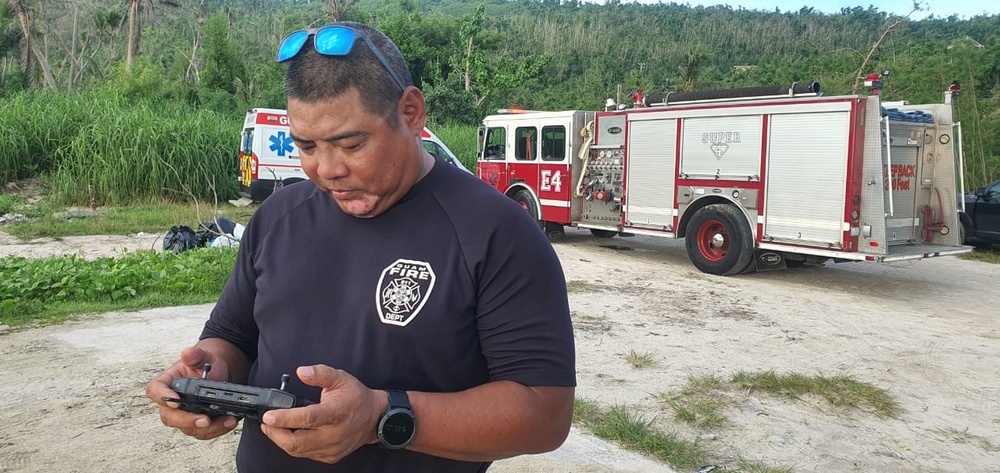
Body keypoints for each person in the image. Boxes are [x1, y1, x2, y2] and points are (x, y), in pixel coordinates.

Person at [146, 21, 576, 472]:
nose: (326, 169)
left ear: (410, 112)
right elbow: (233, 337)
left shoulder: (497, 232)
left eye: (350, 144)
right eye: (306, 146)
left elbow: (543, 413)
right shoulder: (278, 216)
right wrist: (208, 375)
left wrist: (380, 417)